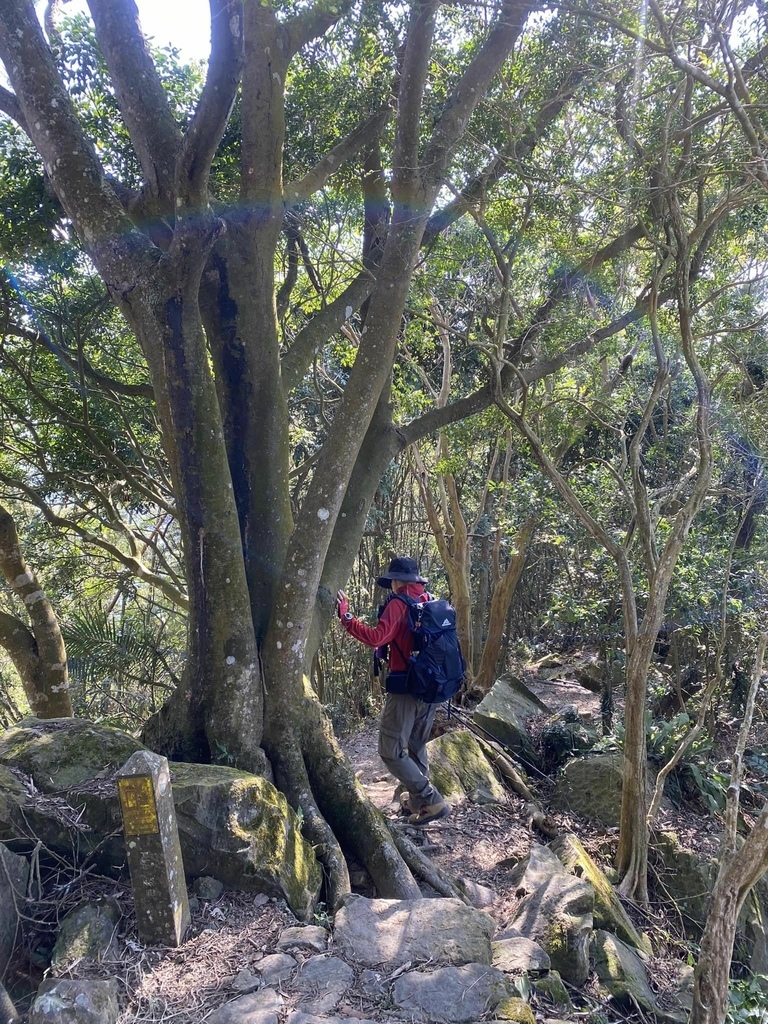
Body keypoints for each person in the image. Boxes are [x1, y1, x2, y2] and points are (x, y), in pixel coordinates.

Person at [336, 556, 450, 826]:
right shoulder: (429, 599)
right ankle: (420, 806)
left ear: (395, 581)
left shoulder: (399, 603)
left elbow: (377, 637)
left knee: (390, 750)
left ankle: (430, 799)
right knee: (415, 745)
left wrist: (346, 617)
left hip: (406, 690)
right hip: (431, 688)